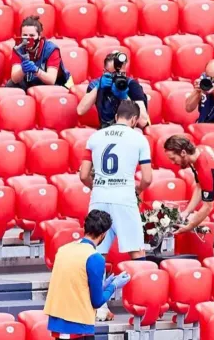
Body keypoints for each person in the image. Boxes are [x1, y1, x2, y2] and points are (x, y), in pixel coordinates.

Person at [79, 99, 152, 321]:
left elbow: (83, 175)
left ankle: (97, 308)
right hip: (124, 197)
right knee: (136, 252)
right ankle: (142, 309)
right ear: (133, 119)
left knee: (96, 251)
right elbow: (147, 178)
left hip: (99, 197)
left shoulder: (95, 137)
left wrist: (99, 187)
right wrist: (137, 190)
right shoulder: (138, 138)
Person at [44, 210, 131, 340]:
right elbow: (97, 301)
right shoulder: (95, 258)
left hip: (58, 321)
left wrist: (104, 285)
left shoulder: (63, 250)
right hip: (77, 324)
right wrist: (114, 286)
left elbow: (77, 283)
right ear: (103, 235)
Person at [77, 53, 149, 129]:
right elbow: (80, 110)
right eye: (114, 73)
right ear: (104, 72)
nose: (118, 76)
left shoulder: (132, 85)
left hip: (129, 130)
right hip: (105, 129)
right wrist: (98, 87)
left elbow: (143, 121)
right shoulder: (97, 84)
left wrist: (124, 98)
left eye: (122, 73)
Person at [6, 15, 73, 91]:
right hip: (31, 81)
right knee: (11, 84)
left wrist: (36, 70)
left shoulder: (51, 49)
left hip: (58, 83)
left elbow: (51, 80)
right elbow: (15, 79)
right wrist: (23, 70)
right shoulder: (18, 48)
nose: (28, 39)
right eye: (25, 35)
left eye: (32, 35)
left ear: (39, 36)